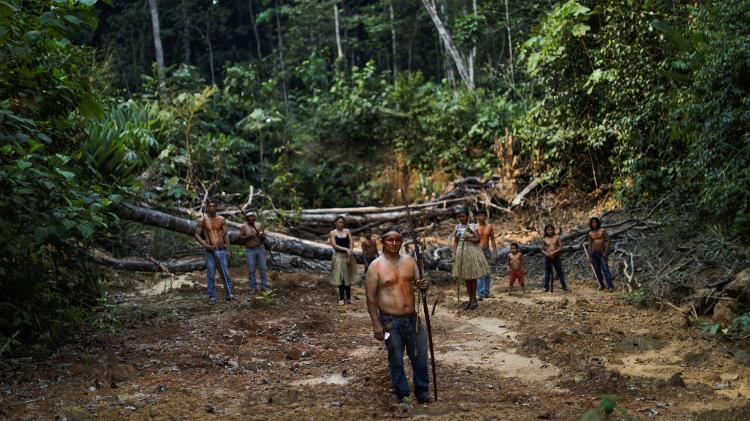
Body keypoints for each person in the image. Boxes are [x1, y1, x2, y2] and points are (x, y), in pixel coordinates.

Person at [365, 227, 434, 405]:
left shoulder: (409, 261)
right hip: (390, 321)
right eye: (390, 240)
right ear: (383, 242)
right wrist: (376, 324)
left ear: (401, 242)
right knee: (396, 358)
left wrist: (423, 286)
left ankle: (422, 391)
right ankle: (403, 394)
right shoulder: (375, 266)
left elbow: (420, 285)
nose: (394, 243)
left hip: (412, 319)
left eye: (397, 240)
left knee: (419, 356)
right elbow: (370, 298)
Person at [194, 198, 234, 304]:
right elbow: (196, 234)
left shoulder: (221, 219)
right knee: (211, 274)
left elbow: (226, 235)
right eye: (210, 206)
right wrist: (205, 244)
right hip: (210, 252)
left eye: (213, 205)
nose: (211, 207)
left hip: (221, 250)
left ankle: (229, 294)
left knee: (225, 273)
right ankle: (212, 296)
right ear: (207, 207)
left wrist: (228, 250)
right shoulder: (203, 220)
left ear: (216, 207)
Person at [451, 209, 490, 309]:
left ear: (468, 217)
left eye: (463, 216)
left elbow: (477, 240)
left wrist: (467, 238)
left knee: (472, 277)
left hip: (471, 252)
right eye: (459, 217)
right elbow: (455, 241)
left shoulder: (472, 226)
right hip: (461, 252)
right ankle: (470, 299)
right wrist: (454, 253)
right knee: (466, 278)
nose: (461, 218)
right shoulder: (457, 227)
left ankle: (474, 300)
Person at [329, 216, 357, 305]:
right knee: (340, 278)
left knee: (347, 277)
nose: (341, 224)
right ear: (335, 223)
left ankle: (348, 298)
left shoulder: (347, 231)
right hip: (338, 257)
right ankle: (341, 298)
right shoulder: (333, 233)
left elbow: (351, 242)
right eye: (339, 222)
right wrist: (346, 249)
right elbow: (334, 245)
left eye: (342, 222)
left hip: (348, 256)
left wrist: (350, 252)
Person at [239, 210, 268, 294]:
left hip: (260, 248)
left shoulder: (259, 225)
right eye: (249, 218)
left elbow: (264, 237)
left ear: (254, 218)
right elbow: (240, 237)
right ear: (246, 219)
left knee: (263, 268)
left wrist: (261, 235)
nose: (251, 219)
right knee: (251, 269)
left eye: (253, 217)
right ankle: (253, 287)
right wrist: (248, 236)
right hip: (249, 250)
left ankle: (264, 287)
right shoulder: (243, 226)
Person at [475, 208, 497, 300]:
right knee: (479, 273)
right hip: (477, 251)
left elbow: (492, 240)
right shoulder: (474, 227)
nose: (482, 217)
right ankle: (479, 293)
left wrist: (495, 253)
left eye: (484, 215)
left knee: (487, 273)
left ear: (486, 216)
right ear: (477, 217)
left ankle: (486, 292)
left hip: (487, 251)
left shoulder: (489, 226)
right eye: (480, 215)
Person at [540, 224, 569, 293]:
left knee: (560, 272)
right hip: (548, 258)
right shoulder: (544, 239)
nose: (550, 231)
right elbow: (542, 249)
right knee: (547, 273)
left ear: (553, 230)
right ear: (545, 231)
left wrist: (554, 252)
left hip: (556, 257)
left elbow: (561, 247)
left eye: (551, 229)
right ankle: (546, 287)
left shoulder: (556, 237)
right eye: (548, 230)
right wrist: (547, 254)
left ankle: (564, 287)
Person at [588, 217, 614, 292]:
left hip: (602, 253)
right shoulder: (590, 233)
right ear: (591, 224)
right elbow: (590, 245)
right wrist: (589, 256)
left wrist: (606, 252)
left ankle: (610, 286)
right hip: (593, 254)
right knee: (597, 270)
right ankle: (601, 285)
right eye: (592, 223)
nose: (594, 224)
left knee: (606, 269)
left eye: (595, 222)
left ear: (597, 223)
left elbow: (608, 241)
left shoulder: (602, 230)